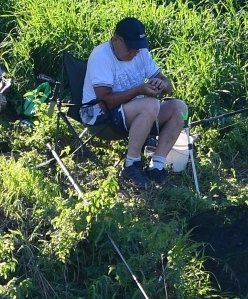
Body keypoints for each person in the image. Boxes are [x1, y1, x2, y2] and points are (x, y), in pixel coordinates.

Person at [80, 17, 188, 188]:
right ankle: (131, 165)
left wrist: (163, 84)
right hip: (101, 117)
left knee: (180, 108)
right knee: (151, 104)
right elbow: (104, 102)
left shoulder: (140, 51)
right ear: (115, 40)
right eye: (130, 47)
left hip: (135, 113)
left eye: (138, 47)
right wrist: (139, 90)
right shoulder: (102, 56)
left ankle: (157, 166)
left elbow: (167, 84)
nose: (135, 52)